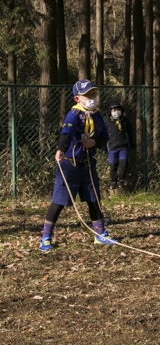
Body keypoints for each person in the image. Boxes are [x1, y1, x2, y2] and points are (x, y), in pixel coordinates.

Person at [39, 80, 118, 252]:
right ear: (77, 98)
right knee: (59, 202)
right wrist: (60, 150)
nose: (92, 98)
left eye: (93, 94)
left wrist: (94, 142)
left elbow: (104, 137)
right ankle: (46, 236)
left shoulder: (97, 115)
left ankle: (100, 234)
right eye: (87, 95)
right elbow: (66, 133)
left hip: (88, 165)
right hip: (69, 165)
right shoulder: (74, 115)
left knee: (93, 199)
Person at [104, 101, 135, 190]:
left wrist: (131, 141)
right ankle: (113, 182)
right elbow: (103, 135)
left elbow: (130, 131)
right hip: (112, 147)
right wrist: (103, 147)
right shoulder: (107, 122)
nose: (116, 111)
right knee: (113, 165)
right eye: (114, 110)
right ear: (110, 111)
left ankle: (121, 180)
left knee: (123, 163)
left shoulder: (125, 121)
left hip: (123, 146)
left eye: (118, 109)